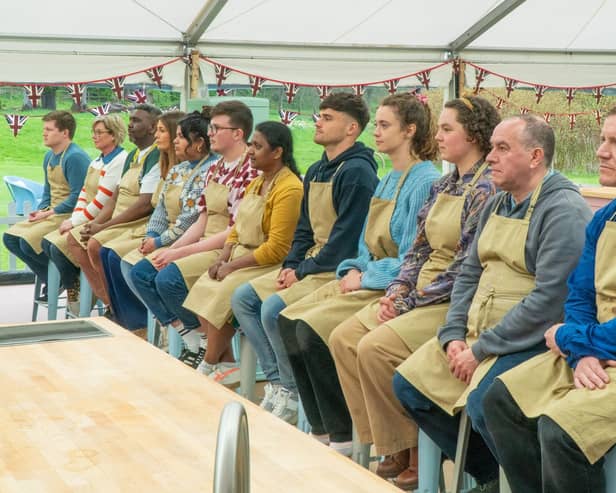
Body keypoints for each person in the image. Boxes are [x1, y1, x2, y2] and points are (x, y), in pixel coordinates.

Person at [392, 115, 592, 493]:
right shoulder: (499, 202)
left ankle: (524, 483)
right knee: (409, 385)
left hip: (528, 340)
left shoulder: (562, 209)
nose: (490, 158)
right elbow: (468, 274)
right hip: (475, 332)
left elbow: (551, 300)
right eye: (492, 148)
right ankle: (490, 475)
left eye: (502, 149)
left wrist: (481, 349)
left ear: (535, 157)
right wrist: (453, 335)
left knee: (488, 402)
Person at [324, 96, 498, 479]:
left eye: (448, 128)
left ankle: (417, 454)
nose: (439, 136)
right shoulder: (444, 184)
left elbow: (464, 267)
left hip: (449, 297)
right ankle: (391, 443)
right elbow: (417, 250)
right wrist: (398, 290)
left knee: (375, 348)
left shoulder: (486, 188)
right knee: (343, 337)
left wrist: (409, 301)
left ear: (474, 134)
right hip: (417, 289)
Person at [276, 93, 440, 457]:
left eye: (384, 125)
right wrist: (352, 269)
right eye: (377, 124)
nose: (376, 132)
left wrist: (364, 278)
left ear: (410, 130)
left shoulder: (426, 180)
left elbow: (415, 257)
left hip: (390, 284)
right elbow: (365, 244)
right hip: (365, 275)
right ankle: (321, 427)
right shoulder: (388, 178)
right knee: (286, 319)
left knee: (314, 331)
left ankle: (346, 434)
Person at [483, 107, 616, 493]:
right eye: (603, 140)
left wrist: (573, 340)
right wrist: (582, 352)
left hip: (598, 343)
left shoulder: (567, 207)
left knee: (560, 430)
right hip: (596, 349)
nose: (601, 152)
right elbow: (579, 293)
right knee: (501, 400)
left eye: (614, 143)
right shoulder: (605, 216)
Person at [231, 92, 379, 429]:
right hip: (309, 263)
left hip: (333, 268)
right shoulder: (315, 170)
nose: (319, 121)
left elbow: (344, 243)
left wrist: (301, 270)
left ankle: (293, 390)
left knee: (272, 309)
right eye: (319, 115)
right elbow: (304, 229)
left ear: (352, 128)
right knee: (243, 298)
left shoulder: (357, 172)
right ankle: (278, 380)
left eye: (328, 117)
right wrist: (290, 264)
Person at [131, 100, 257, 356]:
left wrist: (178, 253)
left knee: (168, 279)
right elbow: (202, 218)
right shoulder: (218, 167)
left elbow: (235, 229)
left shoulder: (248, 169)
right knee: (146, 270)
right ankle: (197, 339)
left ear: (237, 133)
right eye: (210, 128)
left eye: (216, 128)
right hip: (206, 241)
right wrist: (172, 249)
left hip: (228, 246)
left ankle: (210, 349)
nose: (210, 134)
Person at [181, 121, 303, 382]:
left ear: (277, 152)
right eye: (250, 145)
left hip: (267, 262)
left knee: (228, 292)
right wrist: (223, 256)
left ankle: (209, 363)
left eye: (257, 146)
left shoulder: (290, 188)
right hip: (239, 254)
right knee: (204, 285)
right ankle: (224, 364)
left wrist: (232, 266)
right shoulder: (257, 182)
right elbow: (237, 227)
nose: (250, 151)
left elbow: (277, 248)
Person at [100, 111, 214, 330]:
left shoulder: (207, 171)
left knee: (147, 273)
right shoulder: (178, 169)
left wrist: (160, 242)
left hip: (188, 238)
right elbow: (160, 211)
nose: (174, 141)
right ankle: (164, 325)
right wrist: (152, 236)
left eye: (179, 136)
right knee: (125, 263)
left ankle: (185, 331)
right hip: (167, 235)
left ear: (199, 143)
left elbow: (189, 220)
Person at [66, 104, 161, 311]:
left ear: (153, 127)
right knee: (74, 238)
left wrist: (103, 226)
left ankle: (127, 313)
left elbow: (145, 205)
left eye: (136, 121)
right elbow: (114, 197)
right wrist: (96, 223)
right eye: (130, 120)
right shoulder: (133, 155)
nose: (130, 125)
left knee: (98, 246)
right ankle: (109, 302)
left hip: (136, 222)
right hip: (117, 219)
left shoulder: (155, 156)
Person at [41, 114, 128, 313]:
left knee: (59, 245)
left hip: (102, 219)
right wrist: (74, 219)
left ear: (114, 135)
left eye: (99, 133)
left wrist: (74, 222)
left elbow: (101, 201)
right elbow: (83, 194)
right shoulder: (97, 161)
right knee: (48, 242)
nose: (94, 137)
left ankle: (96, 295)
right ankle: (74, 285)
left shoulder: (118, 161)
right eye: (93, 132)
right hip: (85, 217)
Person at [3, 111, 89, 297]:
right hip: (52, 213)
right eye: (44, 129)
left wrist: (49, 213)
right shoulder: (49, 157)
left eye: (49, 129)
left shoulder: (75, 158)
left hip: (70, 215)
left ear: (65, 133)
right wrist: (40, 210)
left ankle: (70, 277)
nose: (44, 133)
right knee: (10, 238)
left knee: (27, 243)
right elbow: (47, 192)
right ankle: (52, 278)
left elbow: (78, 196)